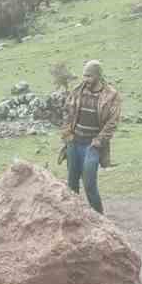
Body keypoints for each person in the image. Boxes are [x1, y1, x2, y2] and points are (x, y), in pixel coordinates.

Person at [60, 59, 122, 215]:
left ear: (98, 76)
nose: (85, 79)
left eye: (89, 76)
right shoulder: (77, 91)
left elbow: (112, 123)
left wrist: (98, 142)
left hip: (92, 145)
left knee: (89, 185)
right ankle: (74, 218)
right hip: (74, 142)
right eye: (84, 75)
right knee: (72, 183)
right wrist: (67, 134)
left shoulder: (111, 96)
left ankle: (100, 219)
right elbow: (67, 112)